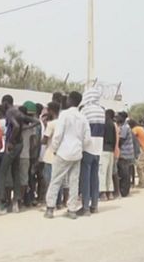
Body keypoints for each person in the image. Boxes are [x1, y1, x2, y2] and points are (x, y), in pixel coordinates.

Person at [44, 91, 91, 219]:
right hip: (77, 153)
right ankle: (72, 210)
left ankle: (50, 209)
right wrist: (81, 148)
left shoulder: (64, 114)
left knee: (56, 180)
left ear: (70, 100)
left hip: (63, 152)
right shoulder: (83, 117)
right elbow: (87, 139)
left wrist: (54, 149)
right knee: (73, 182)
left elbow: (58, 135)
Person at [0, 95, 37, 215]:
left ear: (5, 102)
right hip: (20, 144)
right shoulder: (18, 112)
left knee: (2, 172)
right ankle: (16, 201)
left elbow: (15, 126)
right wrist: (25, 128)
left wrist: (10, 141)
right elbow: (36, 122)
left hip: (13, 145)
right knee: (15, 172)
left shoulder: (10, 112)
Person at [79, 87, 105, 214]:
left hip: (87, 147)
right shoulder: (102, 110)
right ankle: (94, 205)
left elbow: (82, 129)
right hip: (98, 147)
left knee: (85, 178)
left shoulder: (85, 110)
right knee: (95, 177)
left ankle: (85, 207)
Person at [40, 102, 61, 207]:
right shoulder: (62, 123)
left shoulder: (51, 124)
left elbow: (44, 141)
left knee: (48, 181)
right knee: (58, 180)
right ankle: (58, 202)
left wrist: (44, 127)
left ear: (51, 111)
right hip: (60, 155)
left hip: (49, 155)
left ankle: (49, 203)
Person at [99, 108, 116, 201]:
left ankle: (103, 193)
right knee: (109, 172)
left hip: (103, 149)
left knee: (102, 172)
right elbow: (115, 138)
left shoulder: (103, 123)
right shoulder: (112, 124)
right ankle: (110, 193)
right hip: (110, 150)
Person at [116, 112, 134, 197]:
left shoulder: (124, 127)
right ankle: (125, 190)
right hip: (127, 153)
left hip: (124, 153)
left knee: (124, 173)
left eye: (118, 117)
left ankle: (124, 191)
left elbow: (121, 140)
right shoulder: (124, 126)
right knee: (125, 172)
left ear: (122, 117)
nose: (116, 118)